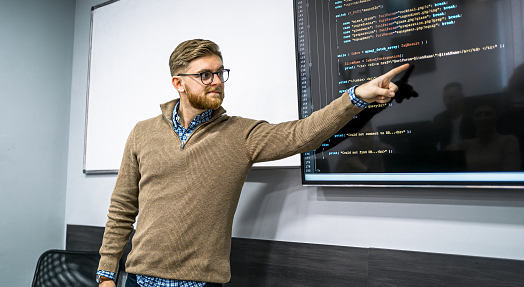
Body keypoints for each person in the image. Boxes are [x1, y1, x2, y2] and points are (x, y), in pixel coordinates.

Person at [96, 39, 411, 286]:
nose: (217, 81)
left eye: (220, 72)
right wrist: (106, 275)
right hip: (138, 279)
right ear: (179, 84)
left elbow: (303, 134)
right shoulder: (143, 133)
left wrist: (356, 96)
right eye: (205, 75)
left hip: (199, 283)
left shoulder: (241, 134)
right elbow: (122, 209)